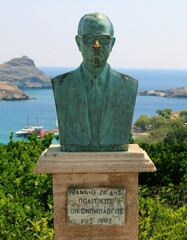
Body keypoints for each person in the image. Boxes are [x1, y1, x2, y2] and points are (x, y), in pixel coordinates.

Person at [51, 12, 138, 151]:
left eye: (103, 39)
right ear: (78, 43)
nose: (96, 45)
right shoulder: (62, 85)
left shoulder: (128, 85)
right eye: (89, 38)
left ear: (112, 44)